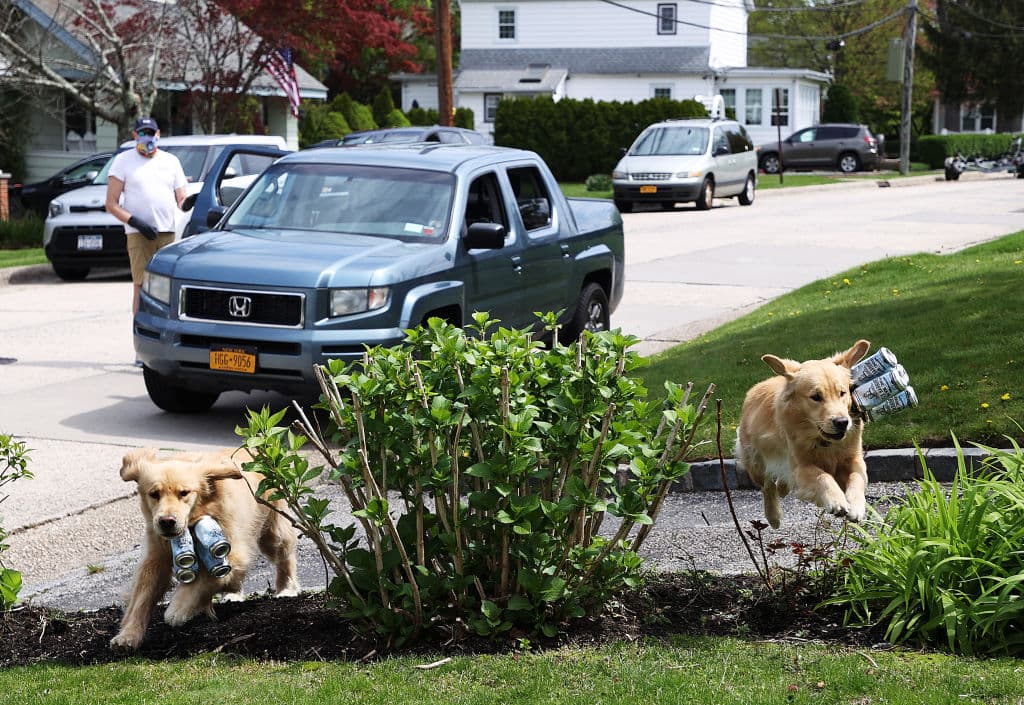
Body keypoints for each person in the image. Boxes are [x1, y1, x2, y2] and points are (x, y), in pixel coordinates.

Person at [105, 117, 187, 314]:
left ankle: (165, 323)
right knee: (141, 284)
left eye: (151, 133)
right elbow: (111, 204)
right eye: (143, 133)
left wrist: (188, 203)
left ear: (158, 134)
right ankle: (140, 324)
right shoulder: (123, 161)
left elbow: (181, 198)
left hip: (166, 232)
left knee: (167, 286)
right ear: (135, 135)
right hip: (138, 233)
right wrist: (136, 222)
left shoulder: (171, 161)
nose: (148, 138)